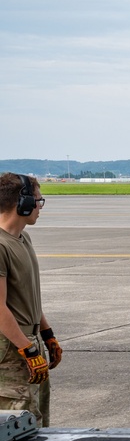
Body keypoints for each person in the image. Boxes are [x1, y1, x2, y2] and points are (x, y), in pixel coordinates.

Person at [0, 173, 63, 425]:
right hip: (10, 346)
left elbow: (28, 296)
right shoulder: (1, 245)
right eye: (37, 200)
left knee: (37, 419)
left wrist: (47, 335)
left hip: (29, 341)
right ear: (22, 203)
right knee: (17, 424)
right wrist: (26, 349)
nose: (39, 206)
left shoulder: (23, 238)